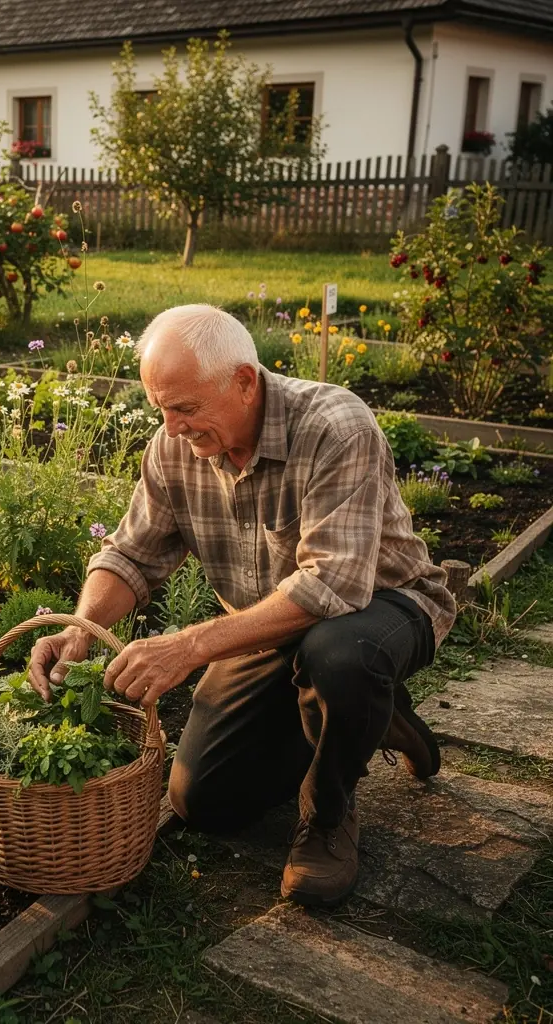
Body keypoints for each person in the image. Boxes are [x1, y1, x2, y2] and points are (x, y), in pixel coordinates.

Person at [27, 304, 456, 907]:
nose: (171, 427)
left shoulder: (335, 426)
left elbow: (333, 585)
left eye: (185, 408)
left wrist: (189, 646)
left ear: (245, 382)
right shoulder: (173, 447)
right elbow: (131, 553)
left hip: (382, 608)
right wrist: (82, 628)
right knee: (204, 800)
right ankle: (369, 718)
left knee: (338, 656)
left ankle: (329, 813)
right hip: (270, 629)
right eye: (161, 408)